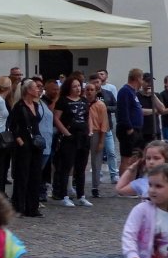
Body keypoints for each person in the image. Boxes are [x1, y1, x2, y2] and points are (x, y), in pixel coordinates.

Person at [116, 140, 168, 211]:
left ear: (166, 160)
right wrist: (133, 167)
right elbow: (120, 188)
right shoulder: (143, 181)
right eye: (148, 158)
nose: (151, 162)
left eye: (156, 158)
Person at [7, 79, 46, 218]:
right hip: (23, 144)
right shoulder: (19, 106)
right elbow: (12, 126)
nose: (38, 90)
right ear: (28, 90)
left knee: (35, 176)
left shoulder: (36, 105)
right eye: (36, 88)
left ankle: (32, 207)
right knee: (22, 176)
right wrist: (20, 141)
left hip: (36, 143)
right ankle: (19, 206)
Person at [52, 74, 91, 208]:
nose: (78, 88)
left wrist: (90, 131)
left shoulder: (84, 101)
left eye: (79, 86)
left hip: (83, 136)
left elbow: (88, 117)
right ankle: (64, 196)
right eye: (74, 86)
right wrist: (66, 133)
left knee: (81, 167)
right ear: (69, 87)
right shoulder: (63, 101)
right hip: (69, 137)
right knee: (66, 166)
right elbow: (56, 118)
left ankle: (81, 196)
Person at [85, 81, 111, 199]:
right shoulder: (82, 103)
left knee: (96, 161)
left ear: (96, 92)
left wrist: (101, 141)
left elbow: (104, 123)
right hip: (83, 133)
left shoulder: (100, 105)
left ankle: (95, 186)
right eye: (87, 89)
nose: (89, 92)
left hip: (96, 132)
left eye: (92, 90)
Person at [115, 68, 145, 169]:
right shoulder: (125, 91)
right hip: (128, 130)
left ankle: (132, 178)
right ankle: (123, 178)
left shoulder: (133, 92)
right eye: (142, 79)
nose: (142, 82)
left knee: (135, 159)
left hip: (136, 129)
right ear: (138, 78)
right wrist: (129, 129)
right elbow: (123, 111)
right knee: (127, 159)